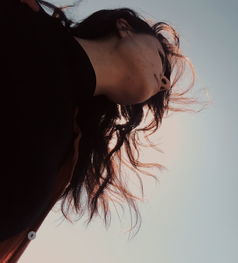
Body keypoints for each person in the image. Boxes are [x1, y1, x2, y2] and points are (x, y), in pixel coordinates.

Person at [0, 0, 201, 261]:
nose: (163, 82)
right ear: (123, 26)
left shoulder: (68, 148)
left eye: (165, 82)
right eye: (160, 60)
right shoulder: (21, 14)